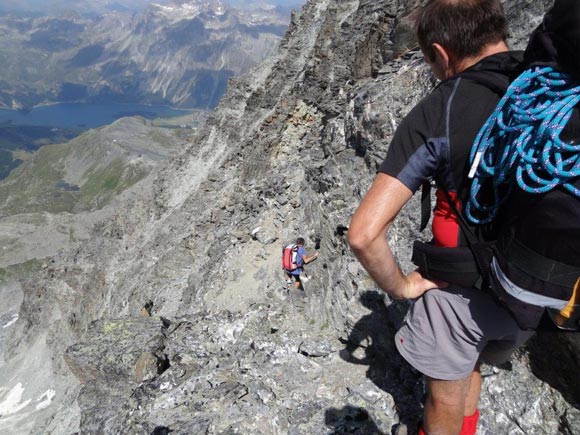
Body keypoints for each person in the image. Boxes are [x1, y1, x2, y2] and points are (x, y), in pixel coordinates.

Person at [348, 1, 533, 434]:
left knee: (443, 396)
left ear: (441, 52)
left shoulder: (440, 110)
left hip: (462, 292)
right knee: (471, 365)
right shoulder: (549, 85)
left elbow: (363, 234)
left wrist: (401, 286)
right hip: (535, 289)